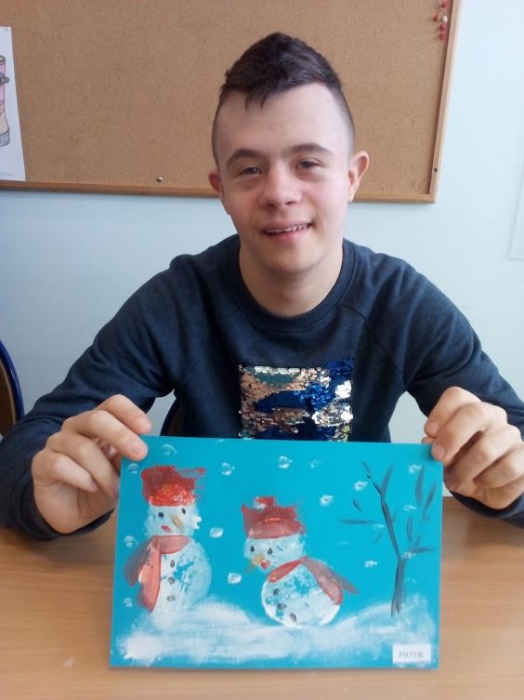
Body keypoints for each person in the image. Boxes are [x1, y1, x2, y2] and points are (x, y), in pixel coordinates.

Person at [1, 33, 523, 540]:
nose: (279, 192)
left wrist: (510, 483)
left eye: (308, 163)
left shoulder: (403, 305)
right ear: (222, 190)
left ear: (352, 177)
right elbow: (31, 441)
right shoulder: (177, 302)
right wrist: (40, 498)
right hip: (209, 546)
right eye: (249, 169)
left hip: (352, 550)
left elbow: (512, 434)